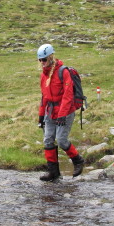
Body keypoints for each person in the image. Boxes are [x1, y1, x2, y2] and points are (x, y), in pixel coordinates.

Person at [37, 43, 84, 181]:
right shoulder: (43, 76)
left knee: (62, 140)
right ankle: (53, 172)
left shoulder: (63, 72)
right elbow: (44, 97)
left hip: (65, 111)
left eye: (44, 59)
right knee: (48, 140)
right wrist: (41, 115)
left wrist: (62, 114)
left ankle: (78, 161)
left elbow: (68, 96)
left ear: (51, 57)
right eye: (40, 60)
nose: (42, 63)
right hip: (50, 112)